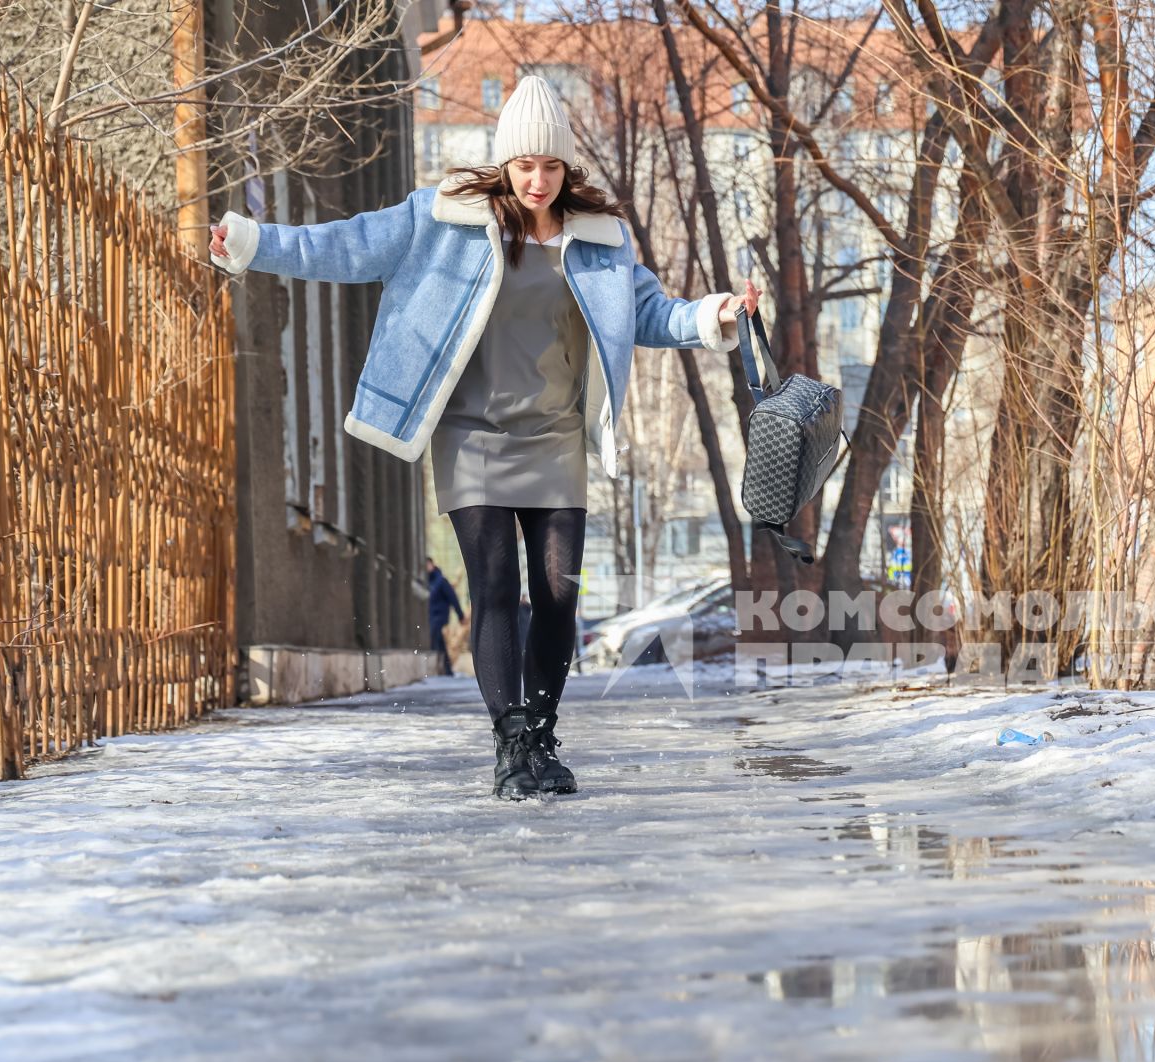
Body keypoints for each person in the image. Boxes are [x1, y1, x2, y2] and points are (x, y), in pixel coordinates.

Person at [209, 75, 759, 800]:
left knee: (559, 591)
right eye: (526, 165)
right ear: (505, 162)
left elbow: (650, 313)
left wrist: (717, 314)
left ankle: (541, 734)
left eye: (552, 166)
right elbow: (348, 248)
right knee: (496, 584)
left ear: (568, 168)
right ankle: (509, 746)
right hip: (470, 435)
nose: (538, 180)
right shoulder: (443, 220)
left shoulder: (599, 240)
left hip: (555, 434)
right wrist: (252, 241)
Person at [426, 557, 465, 676]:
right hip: (432, 617)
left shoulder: (441, 581)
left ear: (432, 564)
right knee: (439, 642)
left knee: (437, 639)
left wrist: (460, 615)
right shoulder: (428, 582)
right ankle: (445, 670)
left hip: (440, 617)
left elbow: (452, 597)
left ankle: (444, 670)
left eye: (427, 564)